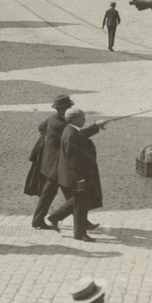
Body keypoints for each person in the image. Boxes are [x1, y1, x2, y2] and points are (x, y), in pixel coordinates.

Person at [47, 108, 104, 241]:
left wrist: (97, 126)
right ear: (73, 119)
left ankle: (56, 217)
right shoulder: (71, 134)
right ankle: (79, 233)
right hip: (75, 177)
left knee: (79, 200)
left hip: (73, 176)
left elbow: (82, 135)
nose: (84, 119)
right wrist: (80, 180)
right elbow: (72, 160)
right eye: (81, 117)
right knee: (80, 202)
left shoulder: (71, 130)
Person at [28, 94, 75, 229]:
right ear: (62, 109)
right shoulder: (62, 124)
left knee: (51, 193)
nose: (69, 109)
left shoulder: (51, 119)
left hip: (51, 164)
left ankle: (38, 220)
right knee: (72, 194)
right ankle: (81, 221)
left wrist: (50, 141)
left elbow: (41, 127)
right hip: (58, 165)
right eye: (68, 107)